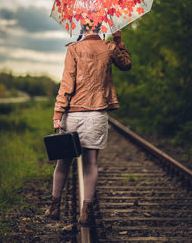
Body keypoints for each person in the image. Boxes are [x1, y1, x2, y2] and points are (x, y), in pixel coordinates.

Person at [45, 24, 131, 226]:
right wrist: (118, 40)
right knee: (90, 164)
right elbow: (126, 64)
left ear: (81, 28)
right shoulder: (110, 48)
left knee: (63, 162)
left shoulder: (73, 49)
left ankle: (54, 207)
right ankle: (85, 212)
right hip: (97, 114)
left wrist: (58, 113)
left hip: (73, 114)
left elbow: (67, 83)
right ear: (100, 28)